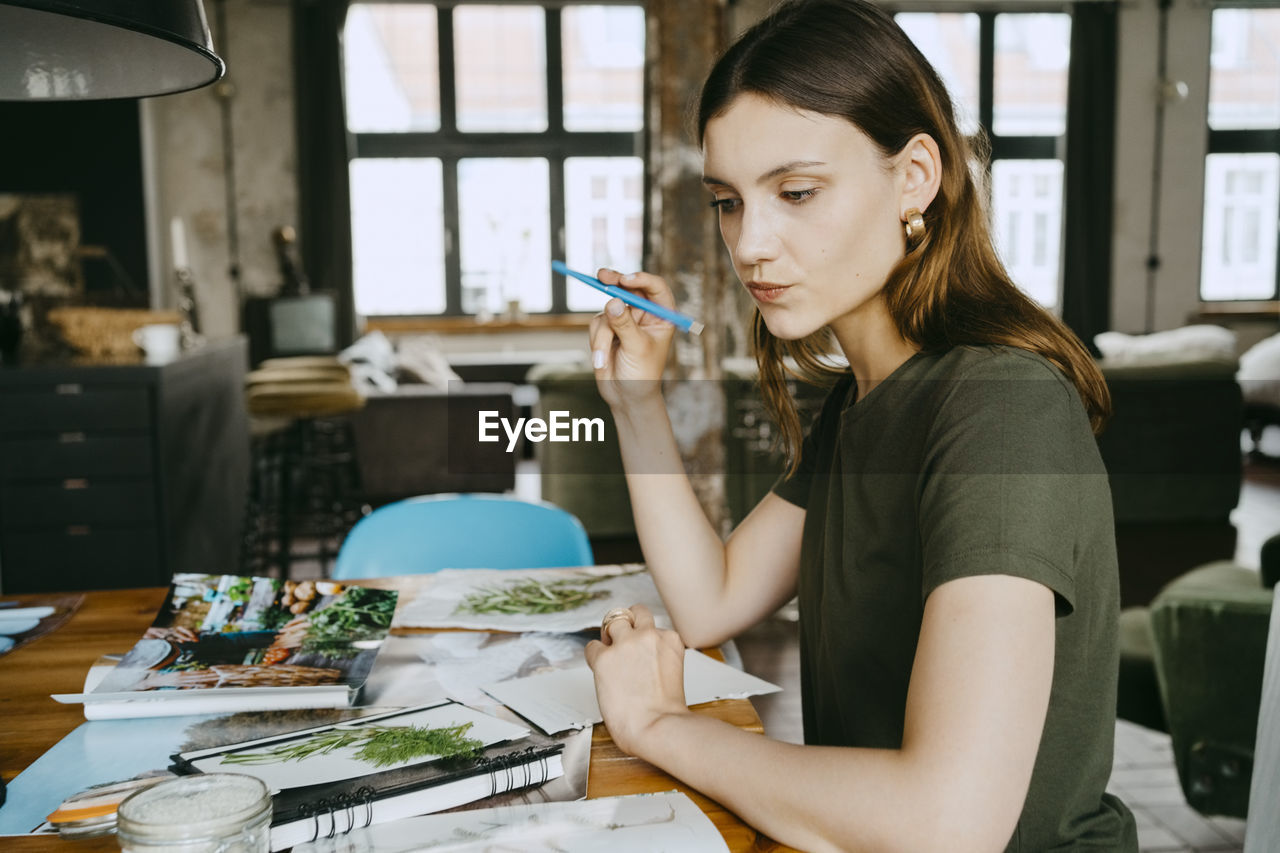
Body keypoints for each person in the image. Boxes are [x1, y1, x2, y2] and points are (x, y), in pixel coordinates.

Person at [581, 1, 1138, 850]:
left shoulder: (1001, 410)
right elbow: (711, 601)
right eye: (729, 202)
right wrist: (635, 402)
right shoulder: (865, 403)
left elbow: (947, 824)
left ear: (915, 175)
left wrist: (660, 726)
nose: (751, 244)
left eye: (796, 192)